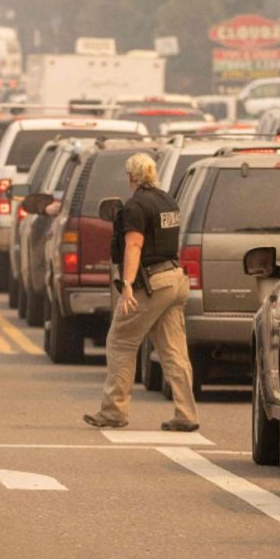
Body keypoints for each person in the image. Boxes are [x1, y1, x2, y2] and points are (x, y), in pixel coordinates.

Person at [83, 153, 200, 432]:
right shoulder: (167, 200)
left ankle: (113, 412)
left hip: (152, 283)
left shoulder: (135, 206)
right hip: (175, 279)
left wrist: (126, 284)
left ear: (131, 177)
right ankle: (187, 414)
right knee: (174, 351)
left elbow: (133, 246)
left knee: (120, 341)